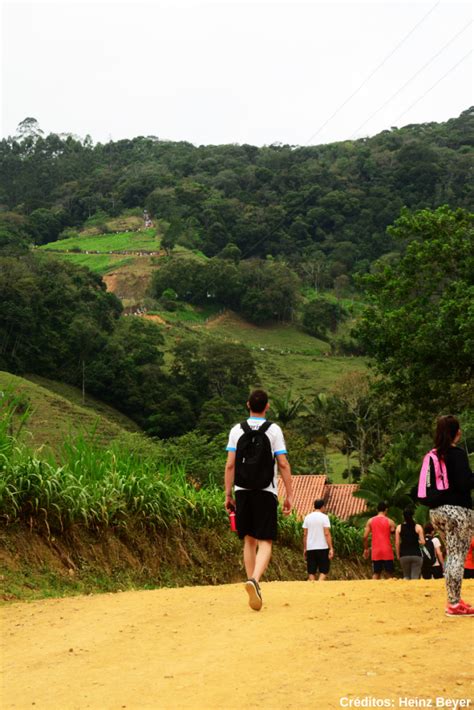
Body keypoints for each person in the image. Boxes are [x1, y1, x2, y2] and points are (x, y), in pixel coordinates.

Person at [224, 389, 293, 611]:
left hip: (242, 490)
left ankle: (251, 581)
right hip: (266, 490)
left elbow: (230, 465)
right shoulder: (273, 430)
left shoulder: (237, 430)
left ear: (248, 405)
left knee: (249, 540)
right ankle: (254, 580)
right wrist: (289, 495)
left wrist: (228, 494)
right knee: (266, 541)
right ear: (267, 406)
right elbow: (282, 463)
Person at [427, 415, 474, 616]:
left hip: (436, 512)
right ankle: (453, 603)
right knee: (457, 555)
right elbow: (465, 484)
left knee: (452, 554)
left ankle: (455, 599)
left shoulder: (434, 455)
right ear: (456, 433)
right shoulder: (457, 454)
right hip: (457, 511)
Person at [302, 499, 334, 581]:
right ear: (322, 507)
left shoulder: (307, 517)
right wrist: (331, 548)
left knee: (311, 571)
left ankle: (313, 587)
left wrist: (305, 548)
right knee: (324, 569)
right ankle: (319, 584)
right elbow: (326, 533)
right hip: (322, 547)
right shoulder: (325, 517)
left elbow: (305, 534)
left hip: (310, 548)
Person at [363, 501, 396, 579]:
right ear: (386, 510)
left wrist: (366, 549)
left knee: (376, 573)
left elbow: (364, 537)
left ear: (377, 510)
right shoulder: (390, 522)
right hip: (387, 550)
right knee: (389, 574)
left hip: (376, 550)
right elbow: (394, 536)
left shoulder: (370, 521)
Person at [395, 508, 425, 579]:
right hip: (416, 555)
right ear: (413, 515)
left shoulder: (399, 527)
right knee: (415, 577)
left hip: (404, 555)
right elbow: (423, 542)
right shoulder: (418, 527)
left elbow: (397, 543)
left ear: (403, 516)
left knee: (406, 577)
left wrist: (398, 555)